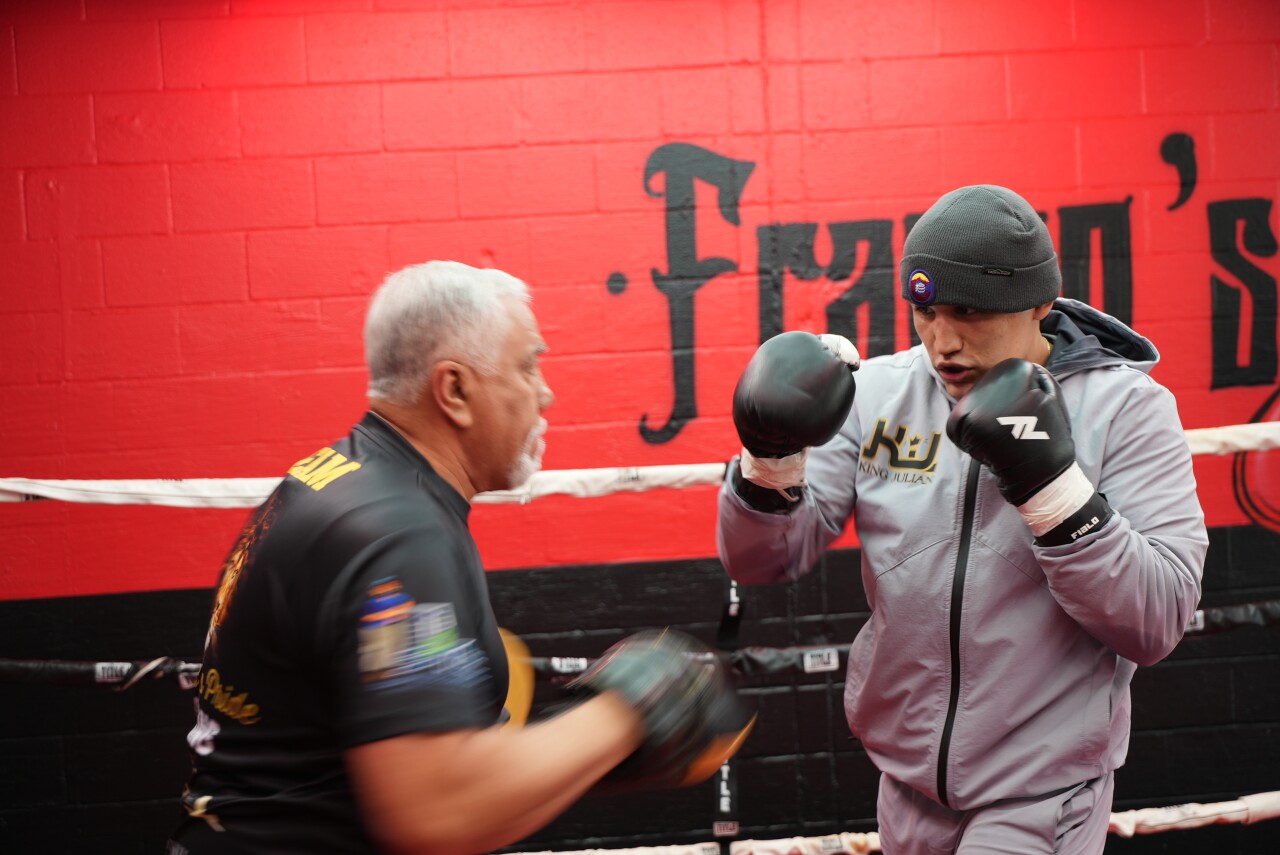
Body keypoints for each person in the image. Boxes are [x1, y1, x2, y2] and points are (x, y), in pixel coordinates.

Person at [170, 260, 751, 855]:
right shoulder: (400, 535)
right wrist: (632, 712)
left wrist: (565, 750)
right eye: (527, 365)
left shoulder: (341, 479)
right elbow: (435, 812)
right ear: (454, 390)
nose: (545, 391)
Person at [717, 185, 1207, 854]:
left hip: (1040, 794)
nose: (942, 342)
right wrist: (768, 462)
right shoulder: (877, 393)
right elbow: (761, 560)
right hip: (906, 785)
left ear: (1039, 304)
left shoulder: (1126, 408)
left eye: (969, 312)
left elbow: (1157, 619)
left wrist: (1055, 492)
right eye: (926, 311)